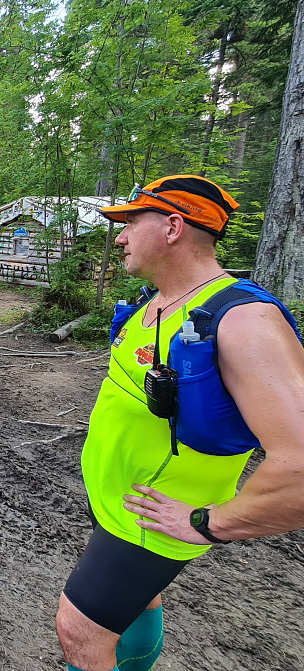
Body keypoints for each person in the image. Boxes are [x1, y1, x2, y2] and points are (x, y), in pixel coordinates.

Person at [56, 174, 304, 671]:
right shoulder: (157, 303)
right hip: (120, 500)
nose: (120, 236)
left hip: (151, 519)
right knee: (138, 603)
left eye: (130, 222)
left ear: (172, 227)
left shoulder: (243, 321)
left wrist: (210, 523)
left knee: (78, 630)